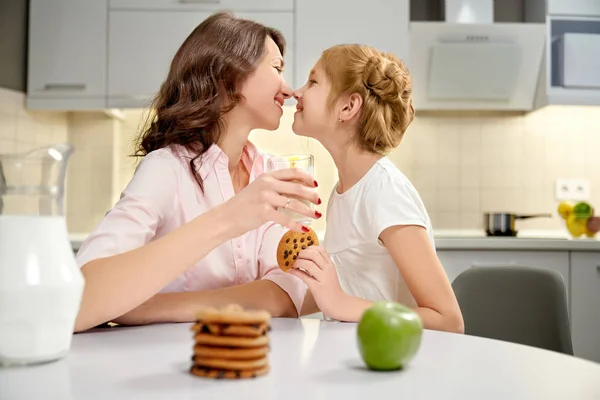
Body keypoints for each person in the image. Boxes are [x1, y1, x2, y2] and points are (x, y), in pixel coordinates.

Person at [73, 12, 321, 333]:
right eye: (276, 68)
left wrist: (150, 307)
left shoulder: (272, 172)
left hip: (259, 366)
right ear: (230, 74)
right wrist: (229, 219)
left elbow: (291, 293)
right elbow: (77, 303)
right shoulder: (167, 169)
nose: (288, 89)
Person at [289, 44, 464, 333]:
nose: (297, 92)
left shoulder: (384, 192)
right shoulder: (342, 193)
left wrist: (339, 303)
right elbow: (350, 286)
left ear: (348, 107)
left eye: (313, 81)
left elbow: (448, 321)